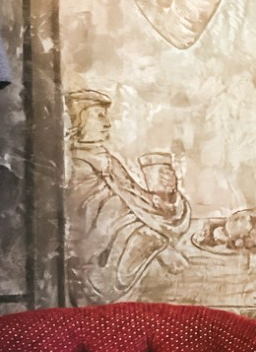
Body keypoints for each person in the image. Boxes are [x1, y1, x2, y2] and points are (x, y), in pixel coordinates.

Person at [66, 90, 190, 305]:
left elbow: (132, 194)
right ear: (79, 120)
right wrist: (156, 242)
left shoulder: (105, 158)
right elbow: (100, 211)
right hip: (96, 257)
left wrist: (167, 198)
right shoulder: (76, 163)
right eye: (99, 116)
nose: (107, 124)